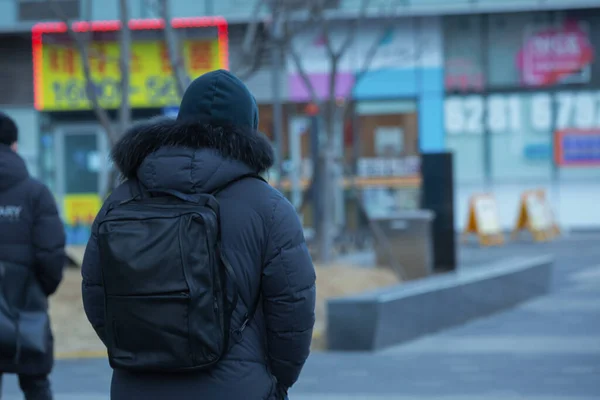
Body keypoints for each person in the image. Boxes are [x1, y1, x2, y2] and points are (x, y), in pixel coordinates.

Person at [82, 69, 316, 400]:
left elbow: (96, 292)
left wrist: (141, 351)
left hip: (137, 387)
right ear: (247, 130)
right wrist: (275, 380)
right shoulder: (270, 207)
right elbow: (293, 309)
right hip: (238, 388)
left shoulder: (123, 198)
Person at [0, 111, 66, 400]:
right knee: (36, 385)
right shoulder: (36, 193)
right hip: (26, 310)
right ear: (14, 145)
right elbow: (51, 256)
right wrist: (38, 291)